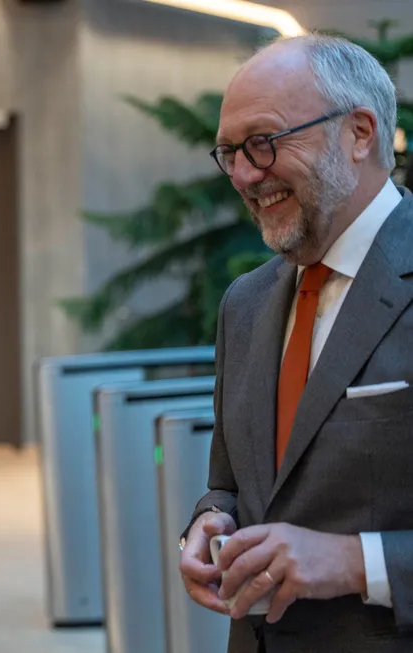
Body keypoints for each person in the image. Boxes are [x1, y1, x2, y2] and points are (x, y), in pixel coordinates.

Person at [178, 34, 413, 652]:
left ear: (359, 133)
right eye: (229, 152)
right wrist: (210, 521)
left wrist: (354, 562)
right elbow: (234, 481)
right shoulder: (246, 304)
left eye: (263, 143)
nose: (244, 176)